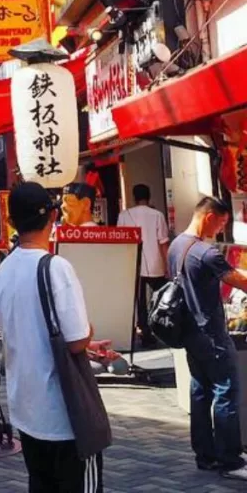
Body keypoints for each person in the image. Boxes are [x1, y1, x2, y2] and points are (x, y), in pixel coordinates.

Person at [0, 182, 102, 493]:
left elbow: (21, 328)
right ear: (53, 215)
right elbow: (75, 340)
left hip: (26, 407)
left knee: (41, 483)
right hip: (62, 411)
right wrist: (88, 334)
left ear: (12, 221)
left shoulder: (5, 268)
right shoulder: (55, 266)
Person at [169, 196, 247, 480]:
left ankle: (206, 456)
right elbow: (238, 280)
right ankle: (230, 460)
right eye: (222, 222)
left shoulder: (177, 245)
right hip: (211, 333)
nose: (220, 228)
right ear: (209, 216)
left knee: (200, 393)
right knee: (226, 392)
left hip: (190, 334)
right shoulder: (206, 251)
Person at [117, 184, 170, 347]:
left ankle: (145, 333)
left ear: (134, 197)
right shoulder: (157, 215)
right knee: (162, 296)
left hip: (134, 263)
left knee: (140, 301)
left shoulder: (124, 215)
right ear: (149, 197)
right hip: (156, 263)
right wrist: (168, 264)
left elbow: (121, 242)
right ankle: (163, 327)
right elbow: (163, 243)